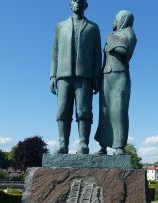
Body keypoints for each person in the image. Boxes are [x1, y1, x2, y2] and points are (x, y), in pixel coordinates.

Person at [50, 0, 102, 154]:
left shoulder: (93, 28)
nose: (77, 2)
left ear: (85, 5)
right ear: (70, 4)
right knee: (62, 110)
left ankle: (83, 144)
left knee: (84, 111)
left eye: (81, 0)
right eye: (74, 0)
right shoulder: (60, 27)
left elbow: (97, 55)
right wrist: (52, 75)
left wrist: (96, 76)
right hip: (63, 75)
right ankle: (63, 144)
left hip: (84, 76)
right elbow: (55, 53)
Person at [95, 10, 137, 155]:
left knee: (118, 111)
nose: (113, 21)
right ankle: (103, 146)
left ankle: (119, 146)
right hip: (106, 76)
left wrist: (113, 41)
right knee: (105, 112)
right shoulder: (112, 35)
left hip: (120, 77)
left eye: (116, 18)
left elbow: (125, 51)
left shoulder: (129, 33)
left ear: (123, 19)